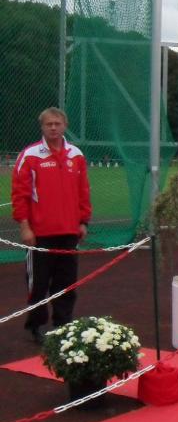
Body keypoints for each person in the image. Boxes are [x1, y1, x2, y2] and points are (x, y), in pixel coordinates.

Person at [11, 107, 92, 344]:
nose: (53, 128)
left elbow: (83, 191)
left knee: (66, 282)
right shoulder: (30, 155)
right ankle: (36, 325)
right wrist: (24, 226)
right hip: (40, 234)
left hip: (69, 232)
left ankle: (63, 324)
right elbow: (20, 194)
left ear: (65, 126)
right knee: (38, 284)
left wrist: (83, 221)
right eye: (49, 124)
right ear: (42, 127)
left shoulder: (76, 155)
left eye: (57, 123)